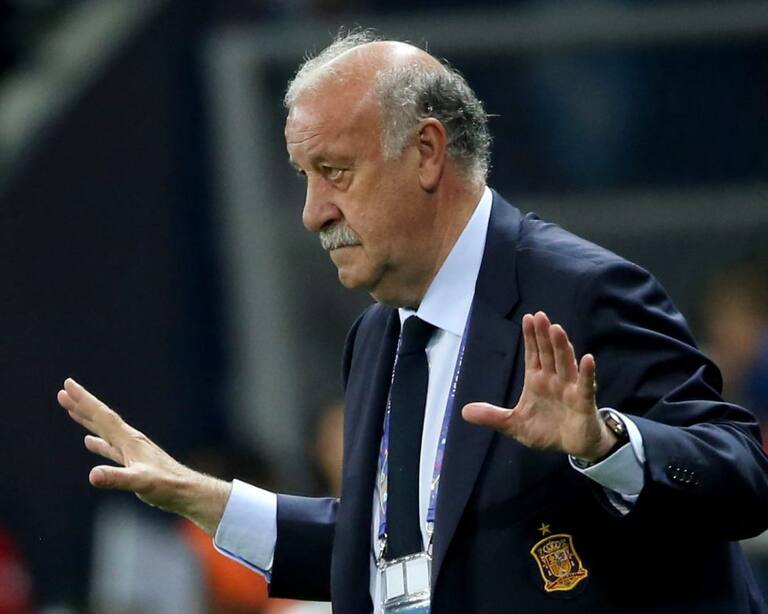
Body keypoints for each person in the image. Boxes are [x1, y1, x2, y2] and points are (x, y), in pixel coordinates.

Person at [57, 31, 768, 613]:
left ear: (426, 153)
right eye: (304, 176)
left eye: (335, 171)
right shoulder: (378, 335)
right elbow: (396, 556)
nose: (312, 213)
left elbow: (742, 476)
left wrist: (606, 444)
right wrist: (201, 498)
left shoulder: (581, 292)